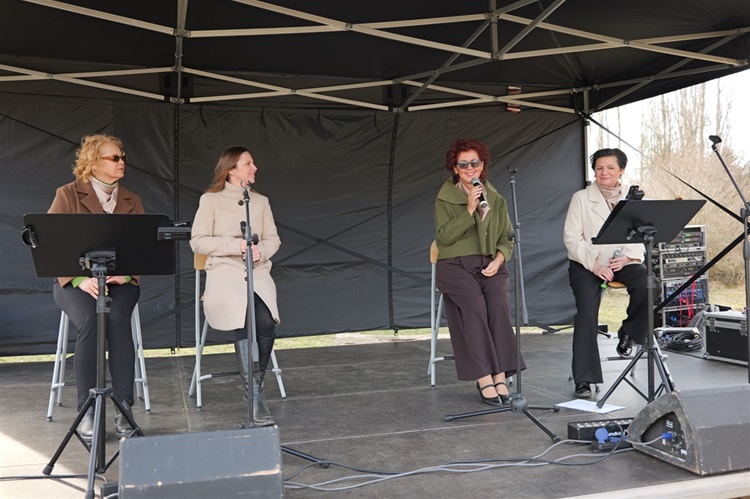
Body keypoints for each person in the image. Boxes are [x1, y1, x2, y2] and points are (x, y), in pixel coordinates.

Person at [49, 134, 143, 442]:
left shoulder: (132, 199)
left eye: (122, 157)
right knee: (92, 318)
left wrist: (125, 275)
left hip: (119, 281)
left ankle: (124, 407)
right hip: (75, 282)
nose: (121, 162)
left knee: (116, 318)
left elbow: (142, 248)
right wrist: (81, 280)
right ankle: (87, 410)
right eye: (114, 158)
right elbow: (51, 244)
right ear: (93, 162)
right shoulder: (67, 194)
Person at [190, 146, 280, 426]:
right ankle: (255, 398)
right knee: (244, 317)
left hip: (258, 273)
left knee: (266, 321)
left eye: (253, 163)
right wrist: (235, 246)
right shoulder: (210, 200)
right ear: (231, 169)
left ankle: (255, 389)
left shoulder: (261, 202)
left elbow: (273, 239)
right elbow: (198, 241)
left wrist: (261, 251)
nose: (254, 168)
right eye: (248, 164)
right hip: (224, 275)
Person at [434, 137, 525, 407]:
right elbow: (443, 238)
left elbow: (507, 237)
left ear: (482, 165)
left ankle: (500, 374)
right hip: (454, 265)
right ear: (455, 169)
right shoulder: (445, 198)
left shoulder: (495, 197)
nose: (469, 168)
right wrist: (469, 211)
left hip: (489, 264)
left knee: (498, 306)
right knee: (474, 308)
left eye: (474, 163)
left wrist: (499, 259)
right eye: (463, 164)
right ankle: (484, 377)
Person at [563, 148, 649, 398]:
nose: (604, 172)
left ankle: (629, 335)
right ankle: (584, 378)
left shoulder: (633, 198)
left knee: (648, 282)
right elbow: (571, 238)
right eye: (599, 168)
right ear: (594, 172)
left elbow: (641, 235)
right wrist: (595, 265)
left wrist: (629, 257)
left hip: (621, 262)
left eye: (610, 167)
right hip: (587, 264)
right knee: (586, 313)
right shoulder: (581, 198)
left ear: (621, 170)